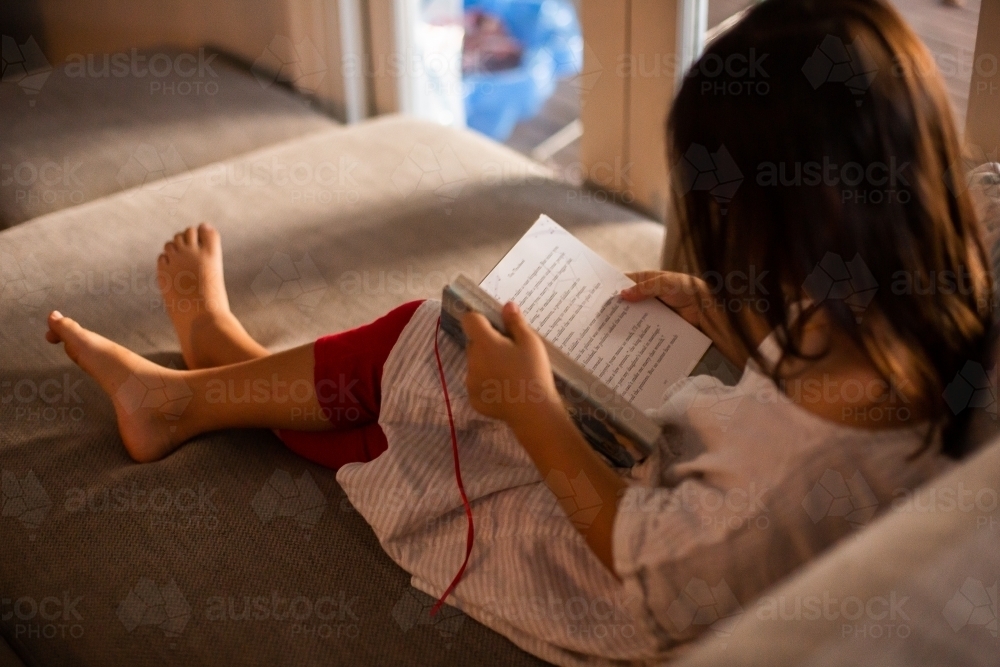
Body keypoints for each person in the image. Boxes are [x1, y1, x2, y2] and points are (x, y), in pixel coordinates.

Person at [44, 0, 990, 663]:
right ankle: (233, 375)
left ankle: (187, 394)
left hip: (620, 586)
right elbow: (792, 383)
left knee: (442, 358)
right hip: (678, 474)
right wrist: (724, 311)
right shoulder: (910, 305)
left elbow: (646, 566)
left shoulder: (797, 481)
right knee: (454, 363)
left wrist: (533, 409)